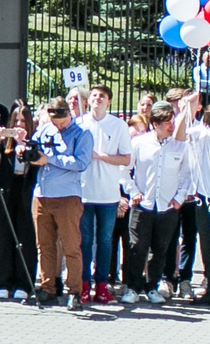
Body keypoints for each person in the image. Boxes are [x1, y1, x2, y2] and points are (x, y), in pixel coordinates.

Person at [122, 102, 193, 303]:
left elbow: (187, 174)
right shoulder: (139, 143)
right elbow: (125, 171)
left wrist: (179, 198)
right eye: (166, 122)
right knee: (137, 247)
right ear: (155, 123)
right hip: (143, 204)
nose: (171, 126)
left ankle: (152, 286)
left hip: (167, 206)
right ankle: (133, 287)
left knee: (160, 249)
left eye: (172, 121)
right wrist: (134, 192)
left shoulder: (181, 145)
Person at [28, 100, 91, 309]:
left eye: (61, 122)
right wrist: (24, 149)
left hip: (67, 197)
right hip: (42, 195)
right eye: (55, 121)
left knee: (71, 246)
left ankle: (74, 290)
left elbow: (81, 163)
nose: (59, 126)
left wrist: (50, 159)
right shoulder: (45, 130)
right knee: (44, 245)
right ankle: (47, 288)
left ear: (69, 114)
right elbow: (33, 150)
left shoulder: (82, 133)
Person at [78, 87, 132, 305]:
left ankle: (101, 285)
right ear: (88, 100)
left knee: (105, 241)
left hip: (108, 193)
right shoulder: (80, 123)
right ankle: (83, 283)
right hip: (83, 192)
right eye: (94, 96)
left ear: (108, 102)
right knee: (85, 241)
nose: (97, 99)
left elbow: (126, 158)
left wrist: (101, 157)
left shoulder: (118, 125)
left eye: (102, 96)